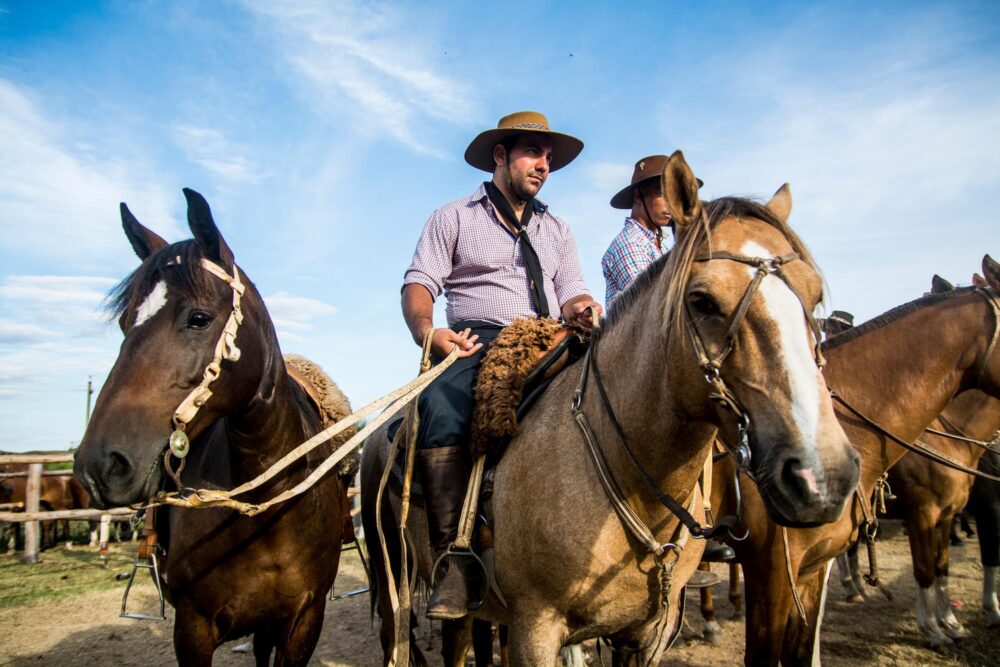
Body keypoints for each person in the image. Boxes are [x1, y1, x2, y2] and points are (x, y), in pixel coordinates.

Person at [400, 110, 602, 620]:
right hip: (477, 339)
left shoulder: (556, 228)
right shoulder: (455, 216)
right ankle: (455, 559)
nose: (543, 167)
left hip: (547, 338)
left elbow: (571, 291)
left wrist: (582, 308)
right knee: (440, 403)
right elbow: (420, 283)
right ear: (500, 156)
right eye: (534, 154)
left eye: (549, 159)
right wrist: (429, 334)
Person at [601, 155, 734, 567]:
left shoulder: (664, 244)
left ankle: (706, 517)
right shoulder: (629, 246)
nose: (667, 203)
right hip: (635, 361)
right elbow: (663, 307)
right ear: (638, 198)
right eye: (659, 193)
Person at [602, 154, 701, 306]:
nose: (671, 204)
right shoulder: (630, 244)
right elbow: (651, 302)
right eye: (662, 194)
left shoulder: (658, 244)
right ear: (638, 197)